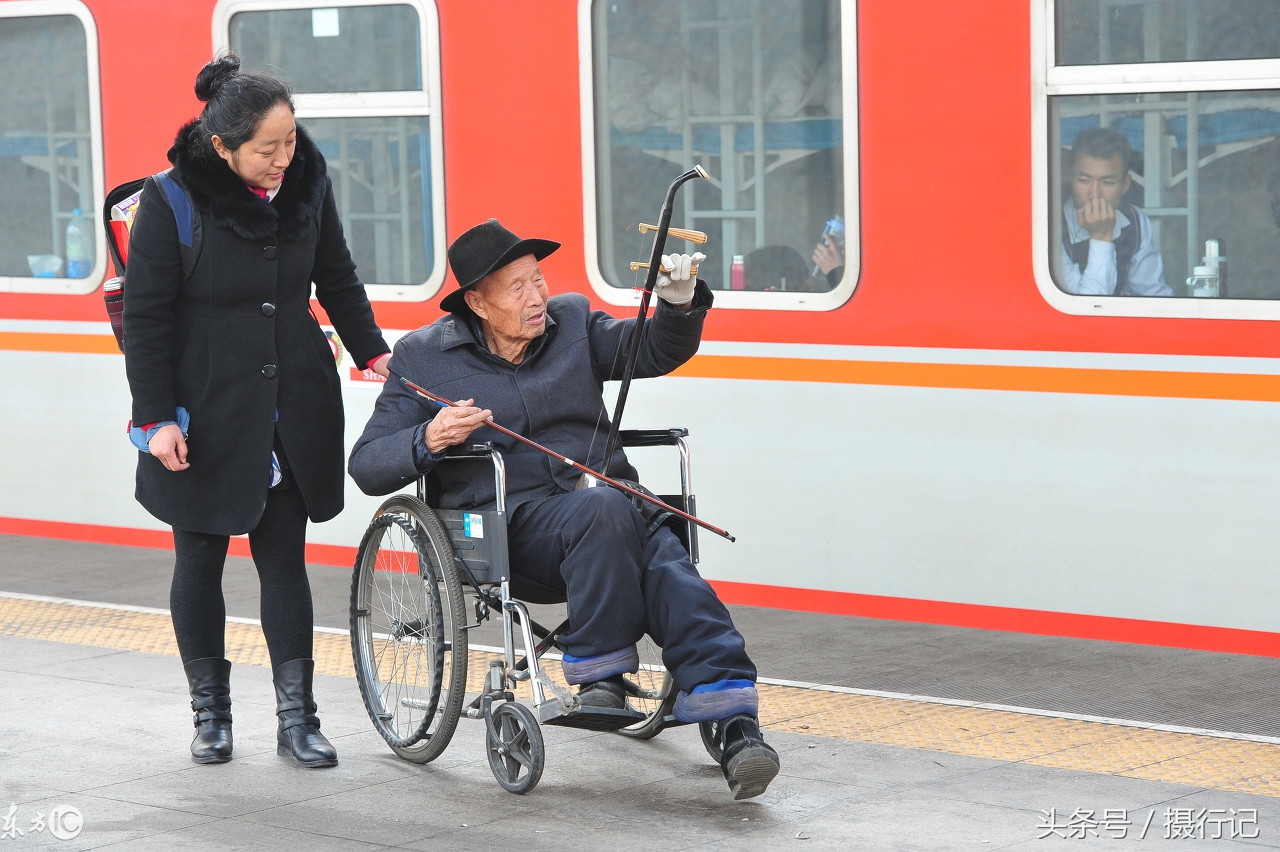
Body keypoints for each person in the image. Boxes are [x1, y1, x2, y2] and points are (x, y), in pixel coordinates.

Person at [348, 219, 782, 800]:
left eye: (539, 279)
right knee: (607, 511)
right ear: (476, 301)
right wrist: (428, 437)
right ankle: (600, 670)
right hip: (513, 532)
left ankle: (735, 723)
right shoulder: (425, 358)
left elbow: (647, 350)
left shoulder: (573, 322)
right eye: (518, 287)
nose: (538, 297)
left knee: (670, 571)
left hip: (614, 513)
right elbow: (368, 463)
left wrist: (678, 309)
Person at [122, 54, 391, 769]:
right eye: (267, 149)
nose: (283, 159)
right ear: (222, 145)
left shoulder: (307, 180)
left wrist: (373, 350)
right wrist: (157, 420)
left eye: (291, 140)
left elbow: (334, 270)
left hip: (292, 399)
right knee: (198, 559)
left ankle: (297, 719)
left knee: (284, 561)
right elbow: (146, 321)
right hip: (204, 409)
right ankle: (211, 717)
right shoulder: (171, 200)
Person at [1060, 127, 1171, 296]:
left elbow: (1153, 294)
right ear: (1071, 179)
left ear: (1125, 184)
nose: (1094, 194)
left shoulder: (1135, 220)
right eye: (1084, 181)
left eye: (1107, 183)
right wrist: (1101, 237)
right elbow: (1089, 308)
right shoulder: (1050, 228)